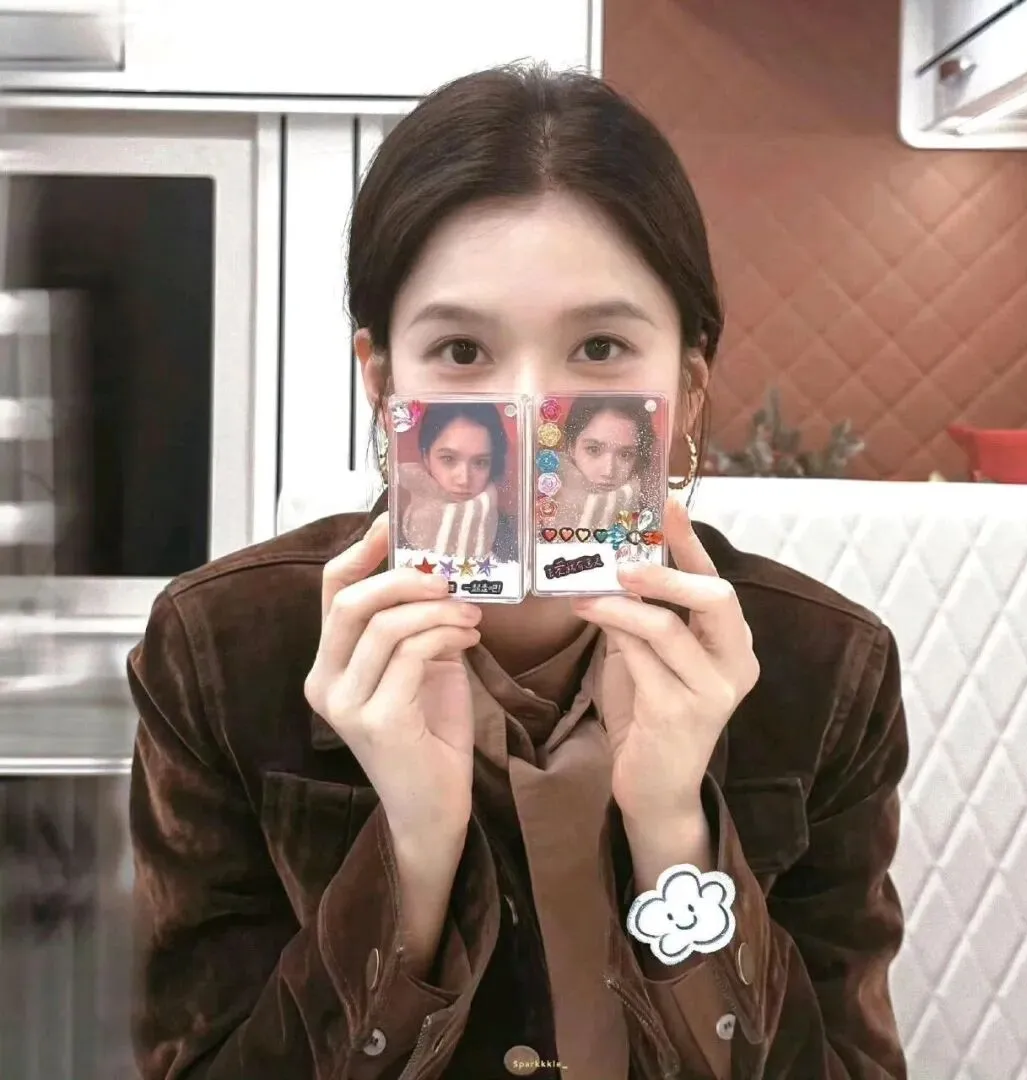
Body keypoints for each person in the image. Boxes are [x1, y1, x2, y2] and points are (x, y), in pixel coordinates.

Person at [127, 65, 909, 1080]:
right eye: (462, 350)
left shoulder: (828, 669)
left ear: (688, 384)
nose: (532, 415)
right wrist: (412, 862)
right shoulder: (219, 653)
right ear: (381, 382)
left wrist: (676, 834)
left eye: (600, 346)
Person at [397, 401, 507, 560]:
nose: (464, 479)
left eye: (480, 462)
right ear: (426, 456)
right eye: (448, 459)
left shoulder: (509, 534)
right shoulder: (394, 514)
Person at [549, 396, 659, 532]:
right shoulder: (540, 504)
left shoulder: (650, 520)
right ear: (570, 447)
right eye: (593, 449)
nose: (608, 471)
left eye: (625, 455)